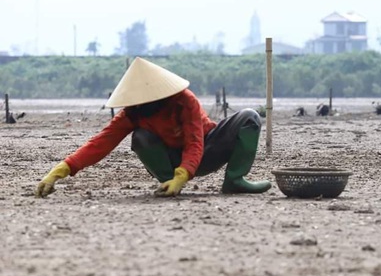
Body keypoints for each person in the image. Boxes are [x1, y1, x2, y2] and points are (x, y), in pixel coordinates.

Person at [35, 57, 271, 198]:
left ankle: (235, 180)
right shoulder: (133, 114)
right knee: (141, 137)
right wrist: (60, 171)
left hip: (207, 151)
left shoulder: (183, 101)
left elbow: (194, 142)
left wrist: (183, 175)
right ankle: (167, 184)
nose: (137, 103)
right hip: (169, 161)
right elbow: (99, 144)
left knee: (249, 117)